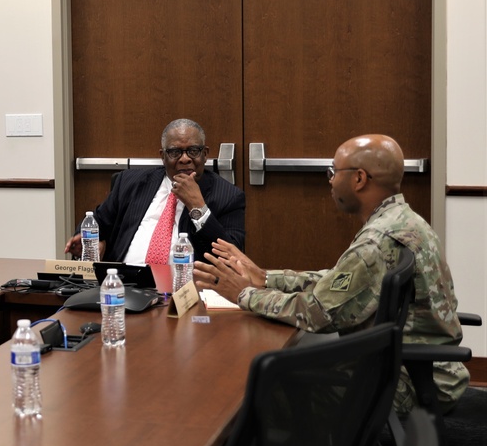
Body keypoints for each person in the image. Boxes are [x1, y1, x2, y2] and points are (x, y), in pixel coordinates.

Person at [194, 134, 468, 414]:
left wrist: (243, 294)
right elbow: (337, 281)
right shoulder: (400, 219)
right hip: (416, 369)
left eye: (334, 171)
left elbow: (316, 313)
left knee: (254, 387)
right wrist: (264, 277)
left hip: (403, 382)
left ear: (359, 179)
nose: (330, 180)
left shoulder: (376, 241)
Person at [64, 118, 245, 264]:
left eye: (193, 151)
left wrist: (198, 207)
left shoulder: (228, 196)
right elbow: (98, 221)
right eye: (175, 152)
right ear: (163, 156)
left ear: (205, 154)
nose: (184, 159)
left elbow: (232, 257)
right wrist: (92, 240)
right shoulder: (131, 182)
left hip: (185, 291)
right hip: (123, 284)